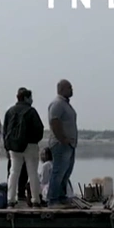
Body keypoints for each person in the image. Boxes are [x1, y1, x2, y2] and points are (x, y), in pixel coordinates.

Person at [2, 88, 44, 206]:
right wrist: (34, 141)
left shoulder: (10, 111)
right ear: (26, 98)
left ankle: (10, 199)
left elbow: (5, 131)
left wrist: (7, 146)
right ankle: (35, 200)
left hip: (14, 147)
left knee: (13, 172)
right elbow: (39, 129)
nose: (32, 100)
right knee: (33, 173)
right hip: (30, 145)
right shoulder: (31, 111)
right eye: (30, 97)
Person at [46, 79, 77, 207]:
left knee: (66, 172)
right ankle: (53, 199)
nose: (72, 90)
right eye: (69, 87)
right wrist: (62, 139)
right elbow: (54, 121)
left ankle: (61, 196)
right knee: (58, 172)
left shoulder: (65, 104)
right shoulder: (57, 103)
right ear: (62, 89)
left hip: (69, 145)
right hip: (61, 144)